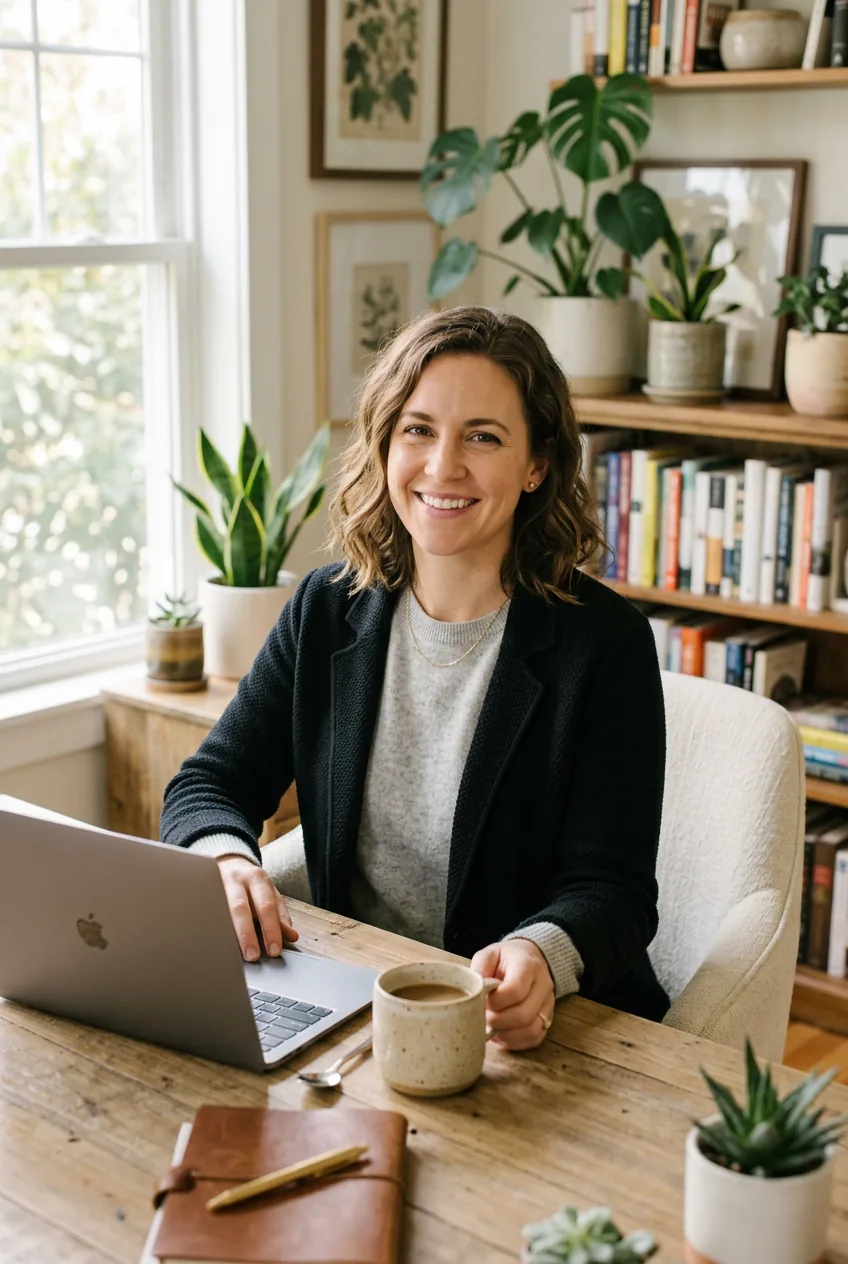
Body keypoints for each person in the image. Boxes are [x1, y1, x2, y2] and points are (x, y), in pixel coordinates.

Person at [160, 306, 669, 1051]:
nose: (442, 467)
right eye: (419, 430)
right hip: (357, 1001)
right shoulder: (326, 608)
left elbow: (615, 891)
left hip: (532, 1030)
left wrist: (542, 954)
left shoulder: (605, 645)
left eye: (483, 437)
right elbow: (209, 783)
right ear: (385, 444)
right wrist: (226, 860)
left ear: (537, 464)